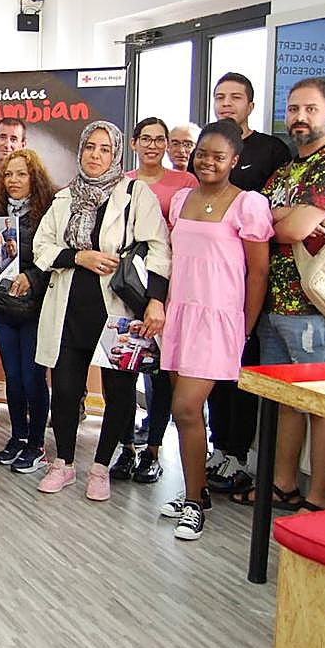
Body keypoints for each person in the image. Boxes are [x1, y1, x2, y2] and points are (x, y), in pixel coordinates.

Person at [32, 121, 171, 500]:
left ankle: (100, 467)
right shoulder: (65, 197)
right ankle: (63, 463)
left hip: (118, 306)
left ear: (116, 154)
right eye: (90, 147)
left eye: (105, 149)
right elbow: (41, 248)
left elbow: (158, 248)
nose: (95, 155)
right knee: (63, 388)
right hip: (69, 305)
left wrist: (157, 299)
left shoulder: (134, 193)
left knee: (119, 390)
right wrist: (79, 256)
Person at [158, 121, 273, 539]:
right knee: (186, 411)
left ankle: (193, 505)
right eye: (202, 153)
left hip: (220, 318)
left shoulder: (248, 205)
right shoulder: (182, 199)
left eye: (218, 156)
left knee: (186, 408)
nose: (207, 161)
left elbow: (258, 272)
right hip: (180, 315)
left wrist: (244, 327)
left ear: (234, 161)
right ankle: (197, 491)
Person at [247, 78, 325, 512]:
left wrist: (275, 218)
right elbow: (252, 222)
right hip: (276, 304)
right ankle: (283, 486)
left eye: (310, 109)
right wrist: (279, 217)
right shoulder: (288, 169)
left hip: (316, 307)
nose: (300, 118)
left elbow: (290, 228)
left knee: (323, 407)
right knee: (286, 405)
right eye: (293, 109)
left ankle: (317, 501)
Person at [202, 72, 293, 494]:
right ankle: (218, 448)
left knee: (242, 374)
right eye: (220, 97)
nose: (226, 103)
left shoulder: (270, 150)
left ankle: (240, 454)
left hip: (247, 286)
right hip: (206, 288)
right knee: (213, 376)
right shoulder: (206, 151)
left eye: (235, 97)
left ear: (250, 105)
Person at [112, 117, 198, 483]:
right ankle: (126, 448)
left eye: (159, 139)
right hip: (125, 288)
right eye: (145, 138)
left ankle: (153, 450)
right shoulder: (121, 184)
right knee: (123, 370)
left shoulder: (186, 182)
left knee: (161, 374)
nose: (152, 145)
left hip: (168, 289)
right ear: (133, 143)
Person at [0, 149, 55, 474]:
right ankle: (18, 436)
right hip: (1, 307)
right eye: (8, 174)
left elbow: (53, 259)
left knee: (32, 377)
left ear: (34, 178)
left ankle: (36, 443)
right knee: (12, 379)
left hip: (35, 309)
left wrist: (32, 278)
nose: (13, 180)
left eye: (21, 174)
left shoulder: (48, 212)